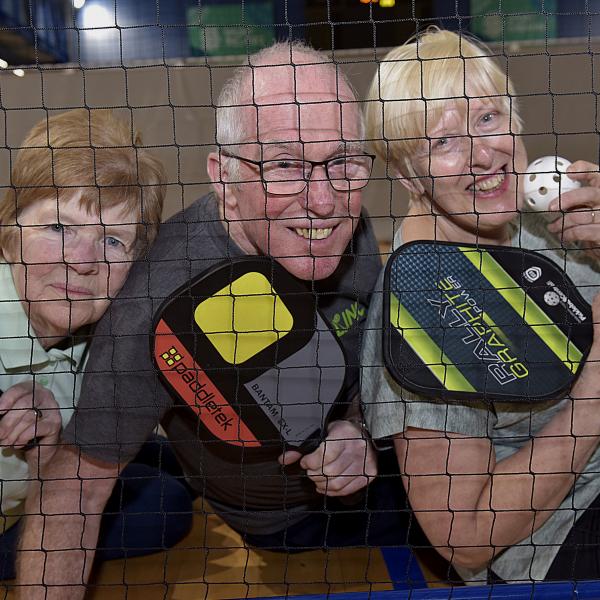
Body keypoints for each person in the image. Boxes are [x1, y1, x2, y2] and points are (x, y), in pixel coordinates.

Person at [16, 42, 411, 599]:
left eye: (344, 160)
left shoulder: (352, 227)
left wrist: (363, 431)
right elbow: (74, 488)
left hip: (367, 464)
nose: (322, 200)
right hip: (289, 516)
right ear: (222, 177)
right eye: (283, 165)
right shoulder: (160, 296)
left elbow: (372, 355)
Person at [361, 27, 600, 585]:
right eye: (442, 142)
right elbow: (465, 538)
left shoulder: (549, 216)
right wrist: (591, 402)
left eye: (488, 118)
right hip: (554, 540)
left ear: (516, 120)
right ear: (406, 175)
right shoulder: (422, 308)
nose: (481, 154)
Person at [0, 109, 193, 581]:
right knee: (168, 504)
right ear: (9, 235)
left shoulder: (109, 327)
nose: (82, 262)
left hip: (35, 485)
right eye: (58, 228)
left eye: (111, 239)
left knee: (173, 457)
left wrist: (49, 446)